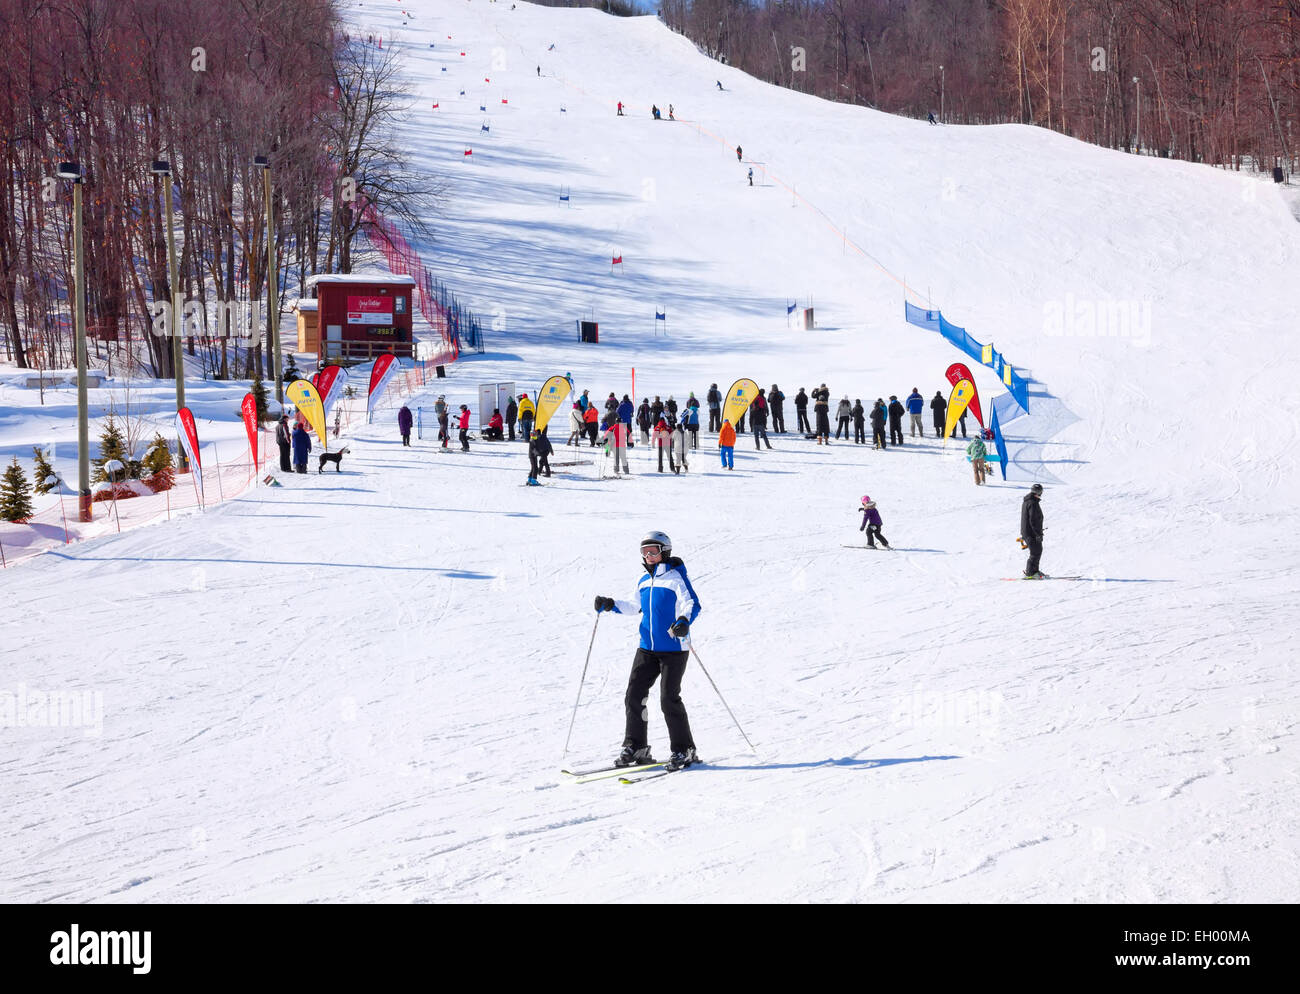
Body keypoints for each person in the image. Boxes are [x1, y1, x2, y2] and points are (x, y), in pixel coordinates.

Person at [593, 531, 701, 771]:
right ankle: (637, 746)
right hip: (647, 648)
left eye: (653, 551)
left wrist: (683, 621)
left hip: (674, 648)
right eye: (644, 552)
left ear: (664, 551)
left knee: (668, 700)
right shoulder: (643, 580)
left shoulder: (675, 579)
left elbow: (691, 603)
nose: (648, 556)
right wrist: (611, 605)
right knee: (634, 695)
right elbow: (634, 607)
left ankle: (684, 749)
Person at [1020, 484, 1045, 577]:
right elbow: (1033, 520)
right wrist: (1038, 534)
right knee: (1035, 552)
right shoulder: (1032, 503)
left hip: (1029, 532)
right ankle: (1030, 573)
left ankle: (1035, 571)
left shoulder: (1029, 501)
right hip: (1031, 533)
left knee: (1037, 551)